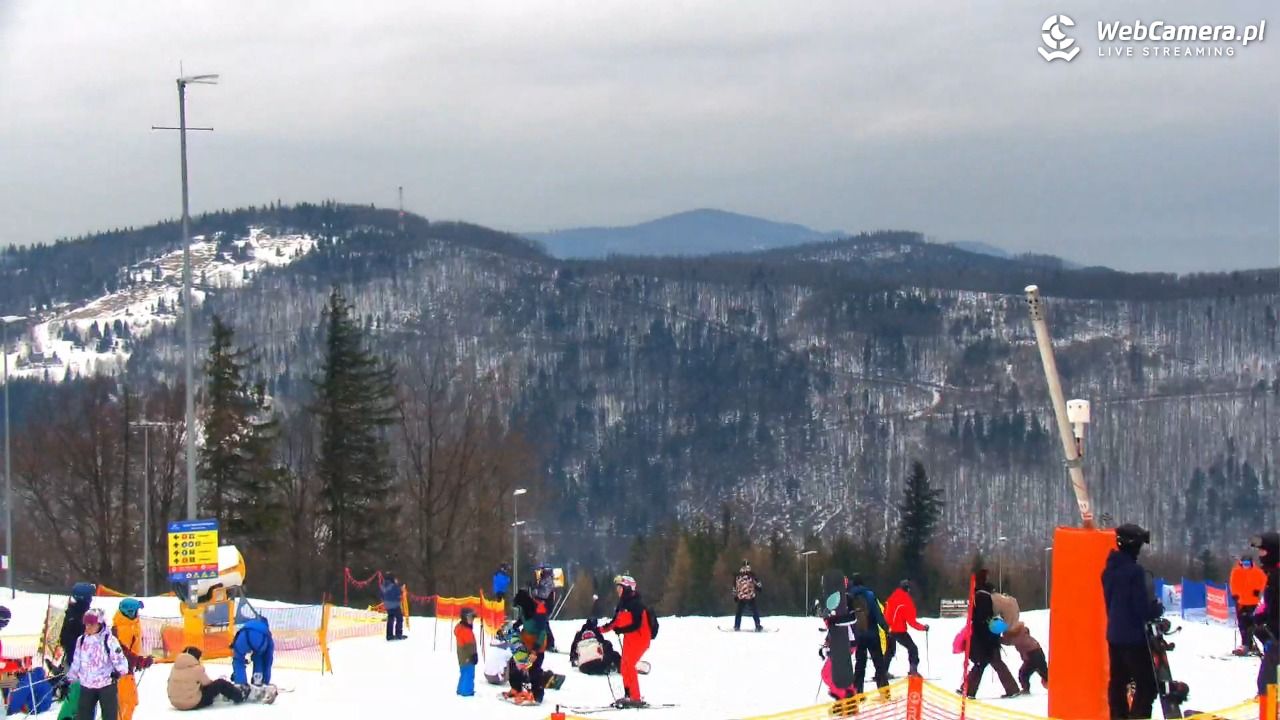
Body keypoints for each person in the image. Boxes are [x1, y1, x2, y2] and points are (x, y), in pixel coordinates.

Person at [1102, 523, 1163, 719]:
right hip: (1134, 638)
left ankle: (1118, 716)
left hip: (1114, 634)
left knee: (1118, 682)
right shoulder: (1135, 572)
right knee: (1147, 685)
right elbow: (1141, 608)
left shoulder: (1108, 571)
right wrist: (1156, 609)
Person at [601, 574, 656, 709]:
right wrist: (599, 630)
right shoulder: (622, 604)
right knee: (624, 666)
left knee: (629, 665)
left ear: (627, 588)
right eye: (617, 588)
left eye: (620, 587)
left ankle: (635, 697)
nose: (618, 590)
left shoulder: (636, 604)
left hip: (640, 639)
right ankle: (628, 694)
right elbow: (614, 622)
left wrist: (621, 630)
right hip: (630, 639)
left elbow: (636, 625)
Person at [964, 569, 1019, 699]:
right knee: (990, 663)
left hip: (984, 637)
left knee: (981, 663)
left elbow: (983, 618)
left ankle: (968, 690)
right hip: (989, 635)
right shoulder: (984, 595)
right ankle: (1012, 689)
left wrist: (976, 623)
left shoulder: (981, 596)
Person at [66, 607, 128, 720]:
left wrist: (119, 672)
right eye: (86, 624)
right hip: (87, 685)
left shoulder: (109, 640)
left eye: (91, 624)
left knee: (109, 716)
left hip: (106, 684)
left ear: (100, 624)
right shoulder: (81, 640)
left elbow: (120, 660)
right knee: (83, 716)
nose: (88, 627)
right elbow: (76, 662)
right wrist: (70, 678)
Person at [504, 590, 550, 706]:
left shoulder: (539, 611)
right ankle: (516, 688)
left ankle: (537, 694)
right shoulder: (525, 609)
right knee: (514, 664)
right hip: (526, 641)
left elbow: (542, 632)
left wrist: (535, 650)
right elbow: (522, 619)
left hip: (537, 644)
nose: (519, 608)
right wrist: (515, 626)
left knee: (534, 669)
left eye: (519, 606)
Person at [166, 647, 248, 710]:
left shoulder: (175, 667)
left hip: (175, 702)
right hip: (191, 703)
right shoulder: (197, 669)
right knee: (220, 683)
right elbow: (207, 683)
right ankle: (240, 695)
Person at [846, 574, 889, 696]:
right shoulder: (870, 595)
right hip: (873, 636)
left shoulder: (850, 596)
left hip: (858, 636)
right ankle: (884, 693)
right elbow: (878, 614)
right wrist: (886, 628)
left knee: (860, 665)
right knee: (879, 664)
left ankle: (858, 693)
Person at [112, 598, 154, 720]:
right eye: (136, 611)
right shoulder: (122, 629)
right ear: (130, 612)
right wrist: (140, 661)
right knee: (124, 703)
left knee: (131, 702)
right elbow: (123, 654)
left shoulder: (130, 625)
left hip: (127, 671)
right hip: (120, 674)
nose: (138, 614)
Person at [1250, 532, 1278, 699]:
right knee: (1268, 673)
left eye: (1263, 552)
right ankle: (1266, 698)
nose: (1260, 556)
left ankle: (1267, 700)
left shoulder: (1276, 575)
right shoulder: (1272, 573)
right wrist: (1257, 618)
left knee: (1267, 678)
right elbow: (1269, 604)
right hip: (1274, 631)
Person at [884, 579, 929, 677]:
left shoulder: (891, 597)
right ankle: (913, 671)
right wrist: (923, 627)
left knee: (890, 651)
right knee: (913, 649)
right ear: (908, 589)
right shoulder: (906, 601)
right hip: (898, 630)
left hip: (888, 628)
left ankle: (882, 672)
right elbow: (912, 622)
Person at [1230, 555, 1267, 655]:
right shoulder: (1236, 571)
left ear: (1251, 563)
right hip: (1241, 602)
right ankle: (1246, 644)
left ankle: (1250, 644)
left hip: (1253, 602)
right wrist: (1234, 594)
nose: (1246, 566)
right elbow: (1233, 583)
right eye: (1244, 564)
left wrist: (1258, 590)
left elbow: (1264, 581)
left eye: (1248, 564)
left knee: (1252, 624)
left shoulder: (1257, 572)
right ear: (1241, 563)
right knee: (1242, 624)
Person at [1001, 621, 1047, 695]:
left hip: (1031, 654)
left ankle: (1026, 689)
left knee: (1023, 674)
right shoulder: (1023, 632)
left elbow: (1008, 641)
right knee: (1044, 671)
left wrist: (998, 639)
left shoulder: (1016, 637)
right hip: (1038, 651)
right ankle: (1055, 685)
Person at [230, 615, 274, 688]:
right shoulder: (266, 631)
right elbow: (268, 661)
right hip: (260, 638)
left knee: (238, 660)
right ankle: (258, 682)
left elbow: (237, 637)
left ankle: (240, 685)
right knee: (259, 658)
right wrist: (266, 681)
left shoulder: (249, 623)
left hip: (243, 636)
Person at [733, 561, 764, 632]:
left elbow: (735, 586)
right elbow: (757, 584)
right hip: (750, 596)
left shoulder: (738, 575)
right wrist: (759, 589)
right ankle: (758, 625)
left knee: (739, 612)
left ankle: (737, 626)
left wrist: (735, 595)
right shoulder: (751, 574)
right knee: (754, 611)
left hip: (741, 596)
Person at [453, 607, 477, 696]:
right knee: (468, 673)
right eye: (470, 618)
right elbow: (470, 645)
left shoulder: (462, 628)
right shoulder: (466, 631)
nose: (472, 620)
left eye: (473, 618)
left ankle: (461, 689)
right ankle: (466, 691)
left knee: (464, 672)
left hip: (463, 656)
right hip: (467, 656)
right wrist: (473, 655)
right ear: (464, 618)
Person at [381, 572, 406, 641]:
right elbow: (398, 594)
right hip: (395, 605)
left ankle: (389, 635)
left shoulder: (383, 586)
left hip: (387, 605)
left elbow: (381, 595)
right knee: (399, 619)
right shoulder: (394, 586)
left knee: (390, 619)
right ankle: (398, 634)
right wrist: (402, 589)